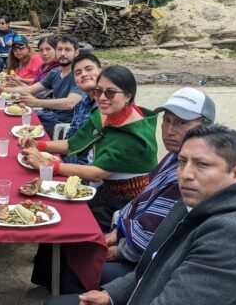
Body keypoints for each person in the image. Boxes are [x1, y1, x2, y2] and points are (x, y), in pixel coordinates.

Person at [53, 124, 236, 305]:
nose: (185, 174)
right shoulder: (191, 204)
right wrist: (111, 296)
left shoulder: (235, 236)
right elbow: (154, 266)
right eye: (182, 162)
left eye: (202, 164)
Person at [61, 88, 217, 294]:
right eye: (167, 120)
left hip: (153, 264)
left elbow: (164, 236)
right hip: (128, 232)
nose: (170, 130)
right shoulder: (173, 157)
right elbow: (143, 202)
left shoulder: (193, 173)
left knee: (78, 262)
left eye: (181, 123)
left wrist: (118, 250)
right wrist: (117, 234)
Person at [19, 65, 158, 231]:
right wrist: (40, 145)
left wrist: (47, 164)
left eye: (111, 92)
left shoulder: (133, 135)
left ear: (128, 95)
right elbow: (73, 143)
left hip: (127, 204)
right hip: (106, 190)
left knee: (68, 222)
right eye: (98, 91)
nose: (102, 98)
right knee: (57, 208)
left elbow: (96, 172)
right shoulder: (108, 114)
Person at [0, 35, 84, 137]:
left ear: (76, 53)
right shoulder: (55, 72)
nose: (62, 53)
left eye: (67, 50)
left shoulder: (79, 75)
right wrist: (2, 89)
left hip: (64, 125)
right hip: (49, 116)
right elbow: (31, 89)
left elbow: (69, 103)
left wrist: (36, 102)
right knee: (9, 124)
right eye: (59, 49)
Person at [63, 53, 101, 163]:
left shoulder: (107, 105)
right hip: (70, 156)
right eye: (78, 73)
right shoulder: (81, 103)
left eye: (89, 69)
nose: (84, 74)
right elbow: (71, 136)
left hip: (88, 167)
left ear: (100, 71)